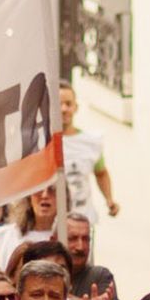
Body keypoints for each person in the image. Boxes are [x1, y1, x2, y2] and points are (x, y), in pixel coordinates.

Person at [58, 80, 119, 219]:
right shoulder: (42, 142)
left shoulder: (91, 142)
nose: (64, 109)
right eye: (59, 104)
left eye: (68, 104)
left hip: (83, 219)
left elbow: (101, 172)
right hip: (54, 222)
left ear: (76, 107)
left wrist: (109, 200)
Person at [64, 212, 121, 300]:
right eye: (73, 239)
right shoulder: (42, 274)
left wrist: (69, 299)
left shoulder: (100, 275)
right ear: (54, 239)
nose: (80, 247)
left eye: (86, 239)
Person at [0, 188, 57, 271]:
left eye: (52, 189)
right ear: (29, 197)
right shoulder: (8, 236)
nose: (45, 195)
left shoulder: (70, 236)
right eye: (39, 189)